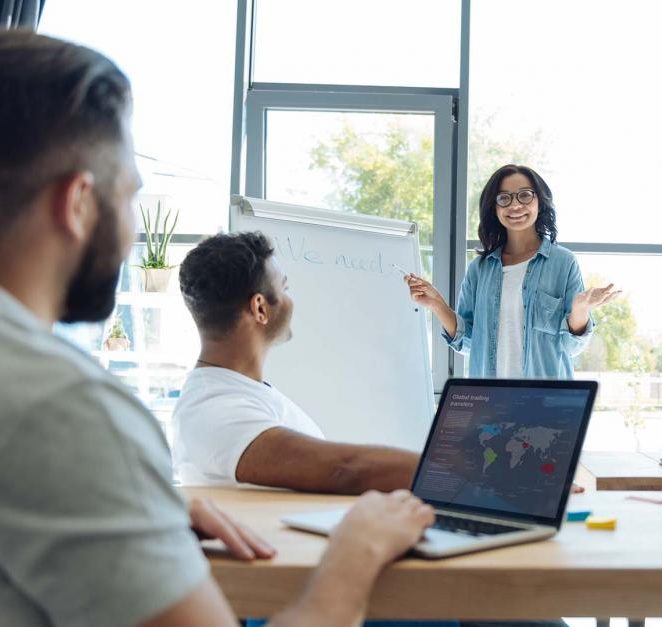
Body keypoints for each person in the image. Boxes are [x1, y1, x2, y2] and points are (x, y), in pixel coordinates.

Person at [0, 30, 433, 626]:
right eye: (130, 195)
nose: (130, 230)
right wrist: (355, 550)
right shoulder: (64, 410)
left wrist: (145, 514)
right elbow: (343, 471)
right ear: (77, 204)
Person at [173, 231, 420, 493]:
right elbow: (344, 470)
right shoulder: (214, 409)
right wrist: (449, 475)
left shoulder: (239, 392)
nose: (291, 300)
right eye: (285, 288)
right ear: (260, 308)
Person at [405, 164, 619, 379]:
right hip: (490, 402)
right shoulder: (479, 270)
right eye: (504, 198)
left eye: (525, 195)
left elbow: (570, 347)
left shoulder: (563, 263)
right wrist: (437, 305)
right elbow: (468, 342)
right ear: (494, 207)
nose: (515, 205)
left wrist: (580, 309)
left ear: (540, 202)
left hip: (545, 402)